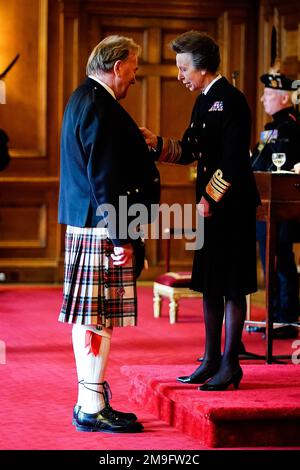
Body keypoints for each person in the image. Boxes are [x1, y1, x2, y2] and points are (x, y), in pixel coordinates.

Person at [141, 31, 260, 391]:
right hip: (209, 210)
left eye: (183, 68)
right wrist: (157, 144)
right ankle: (210, 360)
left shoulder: (232, 100)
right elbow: (192, 148)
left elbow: (234, 160)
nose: (179, 75)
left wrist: (209, 198)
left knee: (233, 286)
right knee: (210, 284)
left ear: (203, 67)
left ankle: (230, 364)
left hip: (231, 208)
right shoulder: (202, 101)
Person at [58, 35, 160, 433]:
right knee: (97, 318)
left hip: (91, 223)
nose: (134, 78)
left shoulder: (85, 98)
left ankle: (91, 399)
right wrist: (121, 238)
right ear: (117, 67)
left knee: (92, 317)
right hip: (102, 227)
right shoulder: (100, 105)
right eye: (133, 70)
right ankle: (91, 404)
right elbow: (104, 178)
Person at [251, 70, 300, 339]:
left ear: (283, 99)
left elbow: (281, 167)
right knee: (270, 261)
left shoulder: (290, 126)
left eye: (268, 94)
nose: (262, 99)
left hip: (282, 206)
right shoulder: (272, 127)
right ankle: (274, 316)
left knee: (281, 261)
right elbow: (259, 163)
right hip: (265, 205)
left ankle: (287, 317)